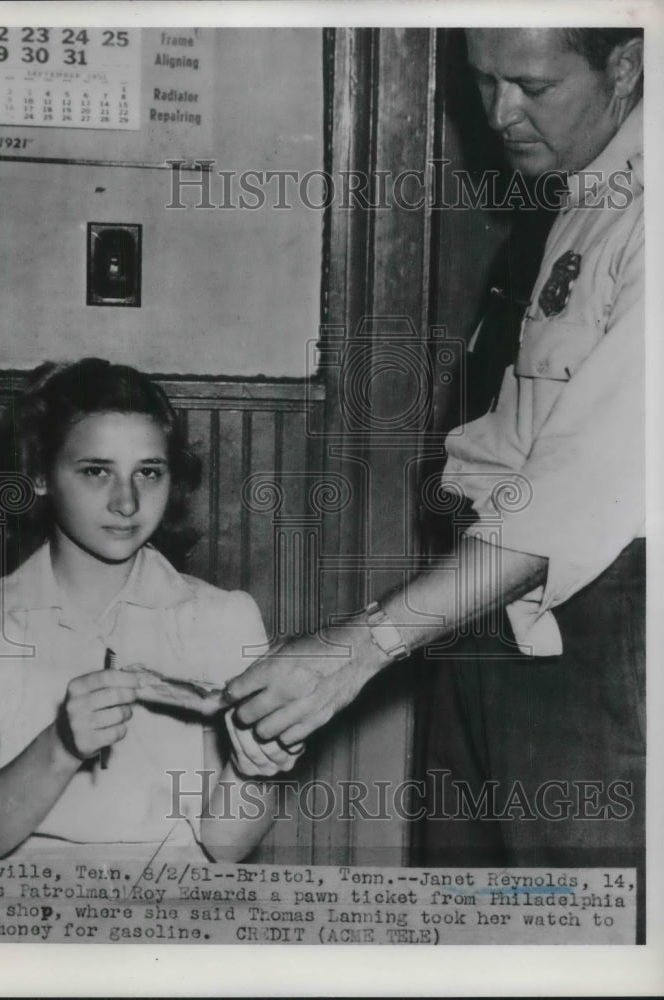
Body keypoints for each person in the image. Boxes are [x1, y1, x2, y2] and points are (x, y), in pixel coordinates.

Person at [226, 27, 645, 924]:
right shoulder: (586, 185)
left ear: (627, 65)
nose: (499, 115)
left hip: (589, 624)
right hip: (486, 604)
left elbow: (580, 490)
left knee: (576, 930)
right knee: (470, 913)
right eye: (482, 81)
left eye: (531, 85)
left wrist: (362, 645)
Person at [0, 358, 301, 862]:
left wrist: (258, 767)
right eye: (96, 471)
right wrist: (61, 745)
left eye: (148, 472)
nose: (127, 502)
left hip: (175, 909)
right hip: (22, 915)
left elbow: (225, 847)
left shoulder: (224, 617)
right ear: (39, 474)